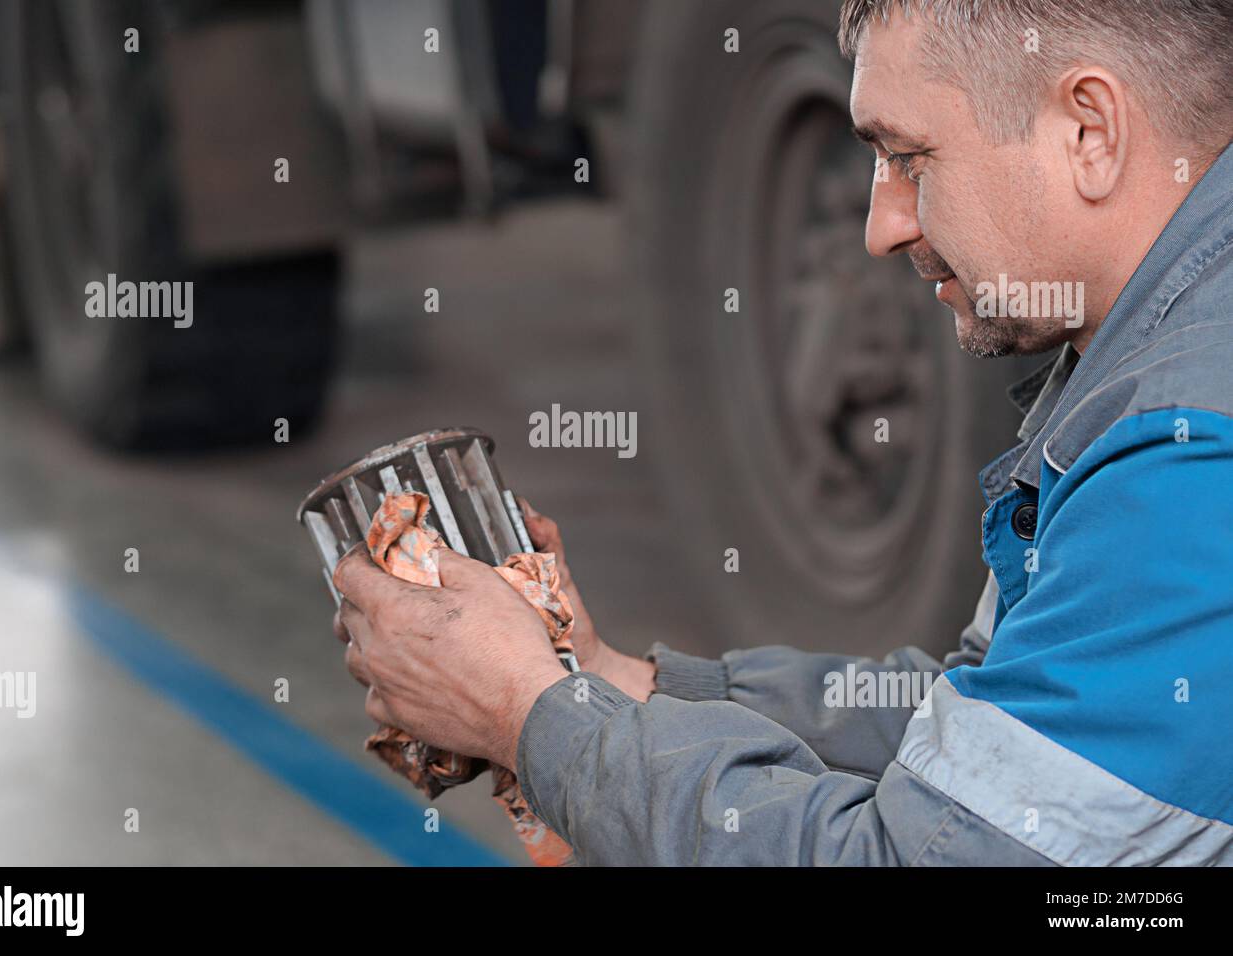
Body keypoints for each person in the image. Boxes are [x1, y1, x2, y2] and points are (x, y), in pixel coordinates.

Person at [330, 0, 1233, 865]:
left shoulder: (1185, 460)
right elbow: (986, 729)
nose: (883, 227)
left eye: (912, 158)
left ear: (1090, 132)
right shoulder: (1160, 346)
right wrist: (606, 683)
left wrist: (526, 714)